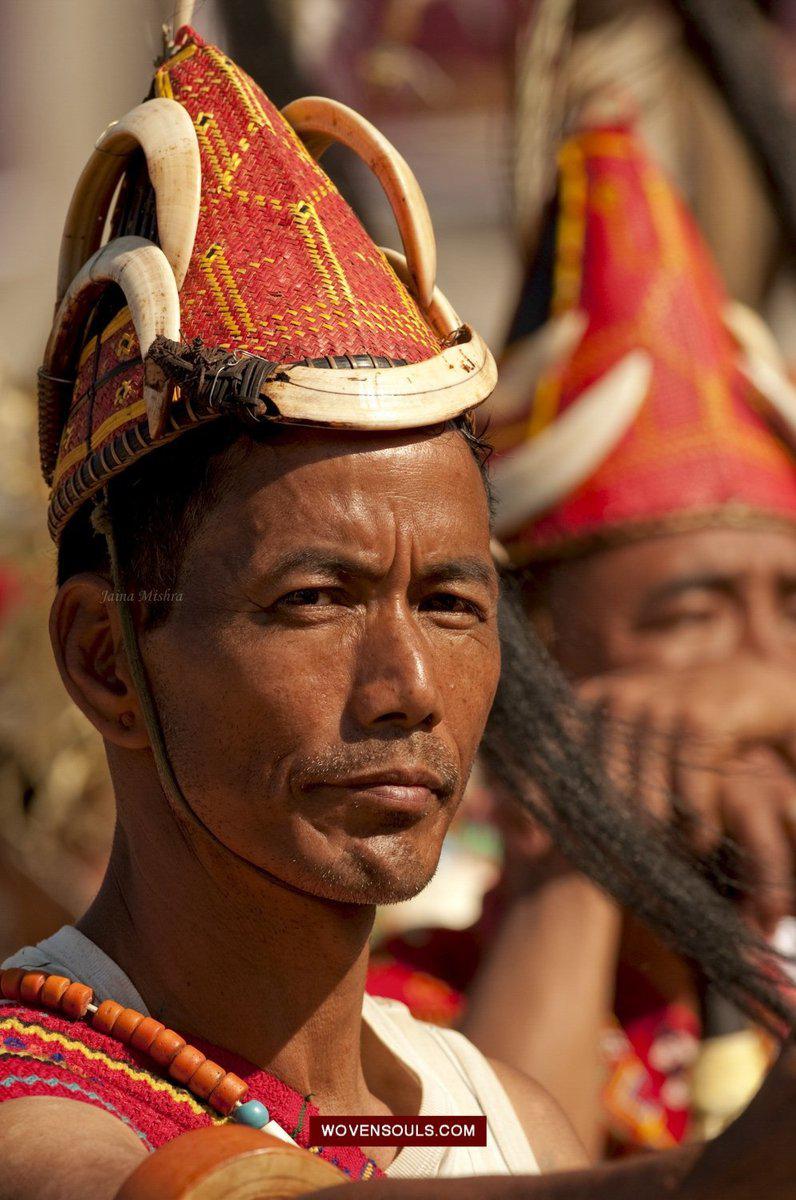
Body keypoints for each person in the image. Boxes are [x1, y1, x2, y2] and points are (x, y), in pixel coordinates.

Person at [2, 22, 796, 1200]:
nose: (408, 688)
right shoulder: (39, 1112)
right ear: (106, 661)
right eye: (314, 599)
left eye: (450, 603)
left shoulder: (490, 1113)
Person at [369, 117, 796, 1158]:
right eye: (691, 616)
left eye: (790, 607)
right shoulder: (386, 1015)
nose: (756, 667)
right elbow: (465, 1169)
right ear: (537, 662)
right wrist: (579, 849)